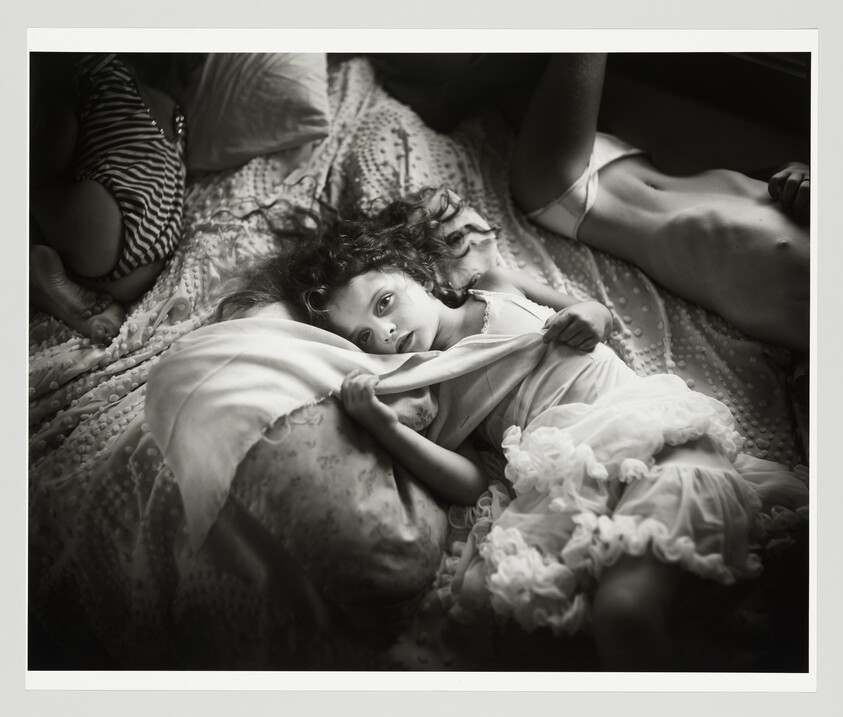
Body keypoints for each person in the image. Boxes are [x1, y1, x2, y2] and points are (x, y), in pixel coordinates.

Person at [219, 189, 807, 670]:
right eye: (365, 340)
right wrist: (383, 425)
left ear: (414, 272)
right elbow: (476, 481)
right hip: (576, 487)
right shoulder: (429, 388)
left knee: (630, 610)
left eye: (385, 303)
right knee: (637, 617)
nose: (389, 332)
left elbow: (592, 312)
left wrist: (591, 315)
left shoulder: (497, 289)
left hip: (649, 438)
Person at [508, 53, 810, 353]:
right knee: (512, 67)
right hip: (621, 155)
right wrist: (798, 172)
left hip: (574, 194)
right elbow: (751, 194)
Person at [29, 52, 190, 343]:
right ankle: (89, 311)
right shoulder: (175, 110)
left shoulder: (90, 67)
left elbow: (53, 157)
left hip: (100, 223)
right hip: (146, 266)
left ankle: (30, 259)